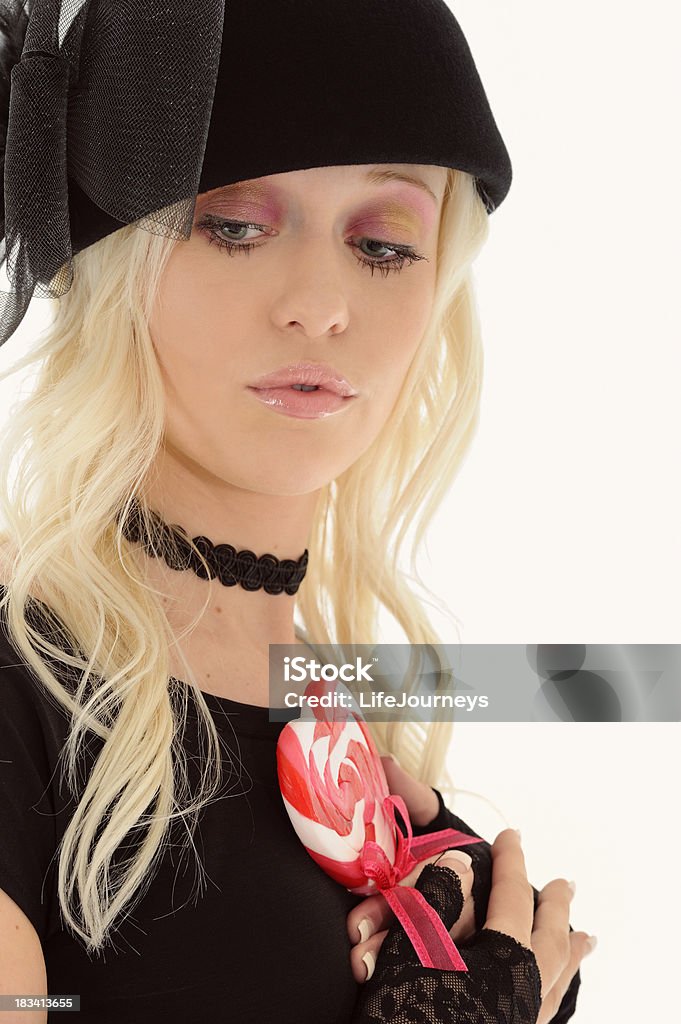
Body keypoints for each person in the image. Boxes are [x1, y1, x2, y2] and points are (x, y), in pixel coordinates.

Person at [0, 1, 595, 1021]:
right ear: (108, 267)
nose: (319, 302)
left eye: (384, 245)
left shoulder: (356, 725)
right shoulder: (21, 702)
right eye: (234, 226)